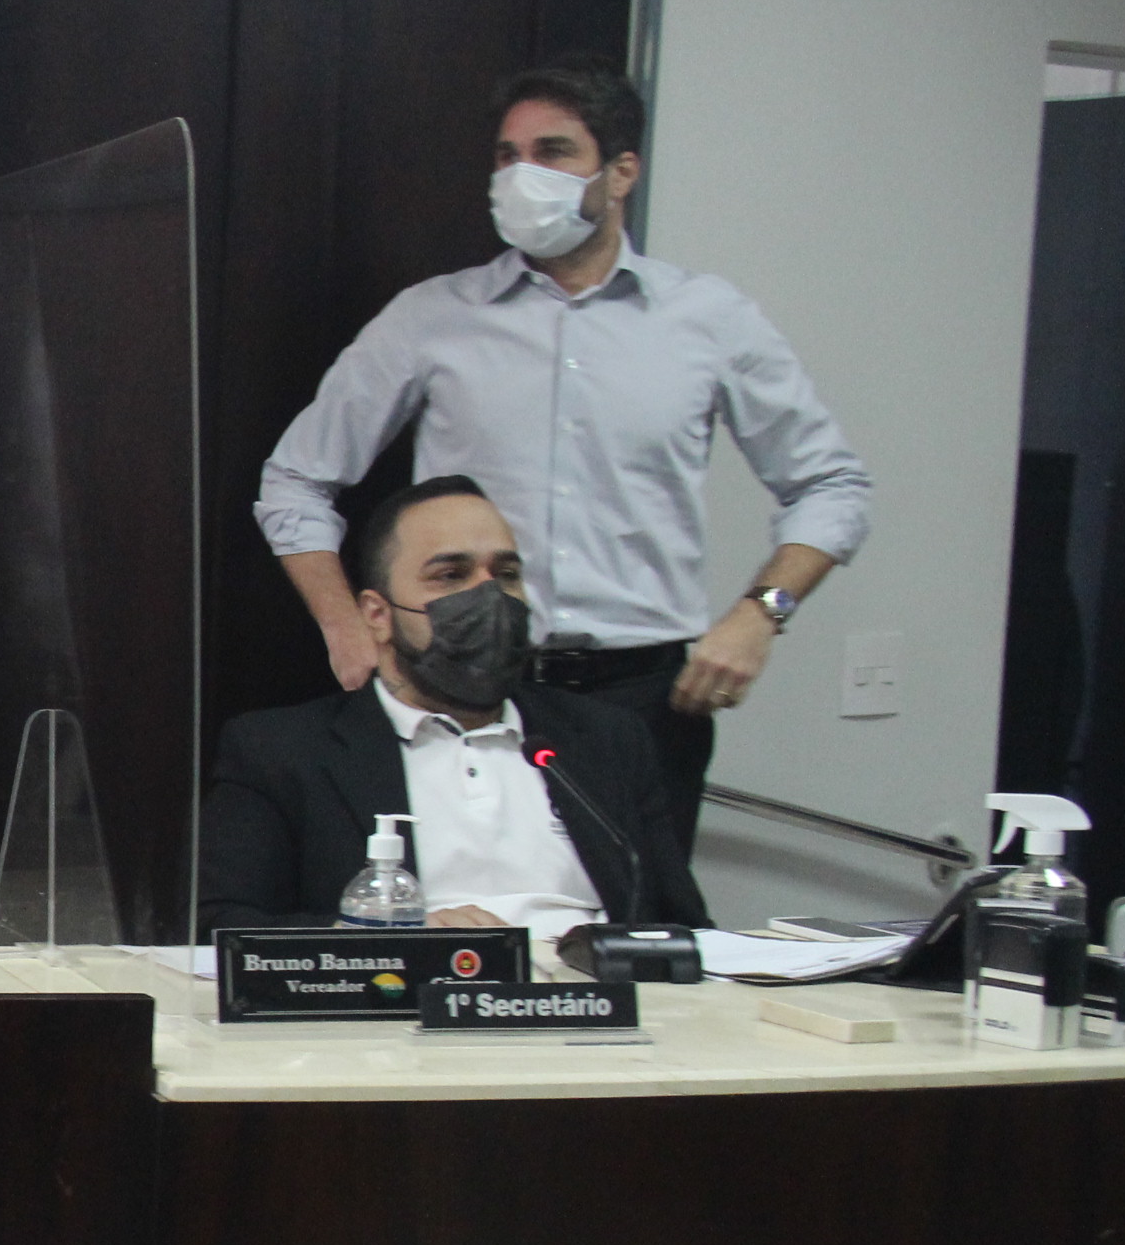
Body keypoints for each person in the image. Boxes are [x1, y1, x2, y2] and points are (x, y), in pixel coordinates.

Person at [253, 56, 873, 842]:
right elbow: (295, 481)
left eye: (552, 153)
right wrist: (346, 626)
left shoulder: (709, 320)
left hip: (644, 696)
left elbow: (831, 485)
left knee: (632, 912)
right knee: (453, 900)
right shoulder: (433, 318)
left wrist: (761, 614)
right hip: (456, 682)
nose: (522, 176)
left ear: (621, 172)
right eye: (507, 156)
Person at [197, 476, 705, 939]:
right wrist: (391, 937)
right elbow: (223, 926)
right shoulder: (282, 752)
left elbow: (684, 927)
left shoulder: (605, 739)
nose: (488, 596)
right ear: (377, 615)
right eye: (451, 575)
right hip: (406, 996)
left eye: (506, 574)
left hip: (591, 995)